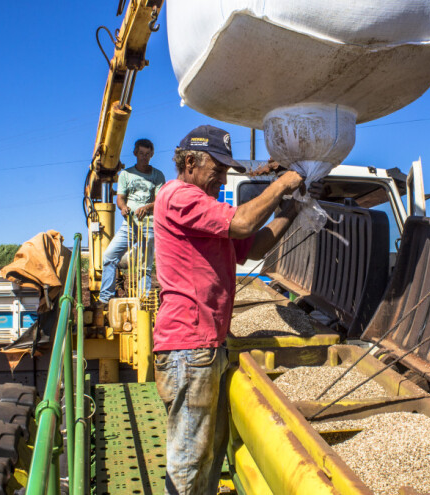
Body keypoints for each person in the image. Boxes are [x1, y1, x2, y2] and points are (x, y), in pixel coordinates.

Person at [153, 125, 316, 494]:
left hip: (204, 345)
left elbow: (255, 245)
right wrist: (282, 184)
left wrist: (292, 208)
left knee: (208, 453)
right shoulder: (178, 195)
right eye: (219, 169)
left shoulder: (206, 211)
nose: (223, 177)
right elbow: (243, 222)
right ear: (190, 162)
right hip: (188, 346)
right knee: (191, 457)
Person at [99, 138, 166, 305]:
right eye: (141, 153)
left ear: (152, 155)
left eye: (147, 154)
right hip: (129, 225)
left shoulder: (157, 175)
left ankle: (142, 301)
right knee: (109, 256)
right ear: (135, 153)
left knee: (144, 266)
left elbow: (159, 200)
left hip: (148, 225)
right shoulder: (126, 174)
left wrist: (147, 207)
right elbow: (120, 198)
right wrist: (123, 208)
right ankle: (105, 298)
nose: (144, 157)